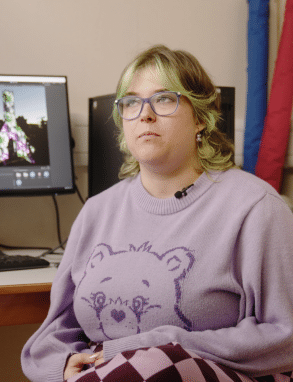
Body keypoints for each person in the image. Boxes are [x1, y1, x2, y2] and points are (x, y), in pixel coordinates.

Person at [21, 45, 293, 382]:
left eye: (164, 99)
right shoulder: (97, 211)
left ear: (201, 119)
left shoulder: (255, 208)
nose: (145, 114)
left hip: (224, 375)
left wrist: (158, 345)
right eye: (131, 102)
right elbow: (57, 331)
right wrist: (60, 364)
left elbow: (286, 336)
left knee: (154, 365)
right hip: (106, 374)